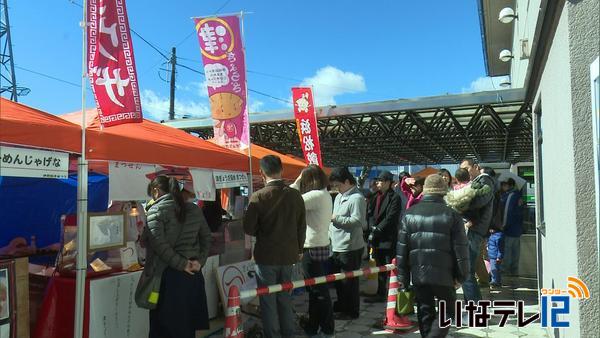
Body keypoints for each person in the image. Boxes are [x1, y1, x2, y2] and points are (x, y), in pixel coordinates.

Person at [396, 174, 469, 337]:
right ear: (443, 192)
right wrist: (462, 275)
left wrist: (403, 279)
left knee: (425, 311)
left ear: (426, 191)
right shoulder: (452, 215)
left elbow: (401, 250)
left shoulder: (408, 214)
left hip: (419, 274)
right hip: (445, 275)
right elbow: (461, 250)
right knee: (448, 311)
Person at [139, 175, 211, 338]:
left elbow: (160, 247)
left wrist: (181, 264)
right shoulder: (193, 209)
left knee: (163, 327)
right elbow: (207, 238)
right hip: (193, 276)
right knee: (187, 327)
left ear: (156, 191)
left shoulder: (155, 211)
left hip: (166, 277)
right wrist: (199, 261)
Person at [243, 155, 306, 338]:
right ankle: (289, 334)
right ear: (282, 170)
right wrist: (300, 249)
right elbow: (301, 226)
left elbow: (248, 228)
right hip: (289, 256)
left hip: (266, 257)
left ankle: (273, 335)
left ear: (261, 173)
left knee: (268, 301)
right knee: (285, 299)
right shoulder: (295, 195)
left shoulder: (258, 197)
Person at [291, 165, 335, 337]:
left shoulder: (314, 195)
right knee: (316, 291)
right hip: (321, 245)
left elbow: (290, 199)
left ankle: (327, 328)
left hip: (312, 247)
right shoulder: (324, 194)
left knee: (319, 292)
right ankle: (313, 326)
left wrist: (296, 181)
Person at [329, 167, 367, 320]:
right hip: (337, 244)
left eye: (338, 185)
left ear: (347, 181)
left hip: (349, 246)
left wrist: (335, 219)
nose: (336, 188)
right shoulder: (339, 196)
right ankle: (341, 306)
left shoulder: (357, 198)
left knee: (348, 282)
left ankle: (351, 311)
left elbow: (358, 221)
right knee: (340, 281)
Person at [459, 159, 495, 303]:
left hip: (475, 229)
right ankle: (472, 305)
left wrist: (461, 201)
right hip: (475, 229)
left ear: (476, 167)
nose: (464, 172)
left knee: (466, 271)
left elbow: (479, 202)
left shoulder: (485, 180)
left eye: (466, 168)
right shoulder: (479, 182)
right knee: (467, 270)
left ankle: (475, 306)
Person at [365, 170, 401, 302]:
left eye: (380, 181)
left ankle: (392, 294)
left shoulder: (394, 197)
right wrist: (371, 229)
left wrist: (378, 229)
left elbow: (391, 217)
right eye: (377, 180)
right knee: (379, 266)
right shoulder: (375, 196)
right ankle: (380, 292)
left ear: (387, 182)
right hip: (376, 237)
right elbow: (369, 214)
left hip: (387, 237)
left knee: (388, 266)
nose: (377, 183)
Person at [499, 178, 524, 277]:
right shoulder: (518, 195)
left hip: (509, 229)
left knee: (508, 252)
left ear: (507, 185)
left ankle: (505, 272)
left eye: (503, 185)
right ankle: (514, 272)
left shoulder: (510, 196)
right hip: (517, 229)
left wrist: (503, 226)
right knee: (515, 253)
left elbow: (507, 213)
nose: (502, 187)